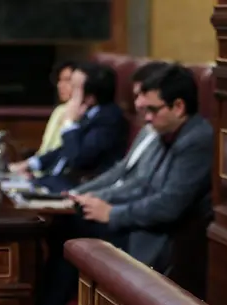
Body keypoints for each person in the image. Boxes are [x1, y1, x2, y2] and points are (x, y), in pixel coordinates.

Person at [39, 64, 213, 305]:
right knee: (63, 230)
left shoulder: (196, 139)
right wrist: (92, 199)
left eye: (152, 110)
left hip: (157, 238)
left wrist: (111, 212)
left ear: (179, 106)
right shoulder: (165, 129)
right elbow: (135, 180)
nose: (145, 118)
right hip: (136, 222)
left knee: (70, 234)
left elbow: (168, 204)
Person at [9, 62, 129, 192]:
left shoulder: (109, 119)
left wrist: (69, 123)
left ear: (90, 98)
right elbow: (63, 150)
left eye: (75, 87)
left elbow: (77, 159)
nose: (68, 89)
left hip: (72, 189)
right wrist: (29, 164)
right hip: (53, 180)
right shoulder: (89, 112)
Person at [68, 60, 169, 200]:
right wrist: (75, 194)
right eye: (135, 96)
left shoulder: (168, 134)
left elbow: (141, 184)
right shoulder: (147, 129)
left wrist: (94, 199)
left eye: (143, 95)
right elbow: (121, 168)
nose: (138, 104)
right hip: (106, 197)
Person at [26, 60, 77, 174]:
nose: (60, 85)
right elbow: (45, 149)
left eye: (67, 80)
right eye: (60, 80)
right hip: (38, 171)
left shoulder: (81, 113)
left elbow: (63, 153)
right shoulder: (59, 110)